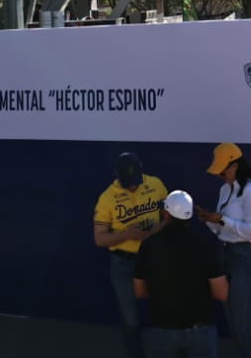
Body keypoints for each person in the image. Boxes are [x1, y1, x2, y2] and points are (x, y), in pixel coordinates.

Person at [133, 190, 228, 358]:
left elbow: (139, 291)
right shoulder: (205, 245)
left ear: (166, 213)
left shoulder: (148, 245)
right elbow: (222, 293)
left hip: (162, 331)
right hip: (200, 331)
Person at [93, 151, 168, 358]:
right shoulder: (107, 197)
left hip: (153, 258)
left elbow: (170, 218)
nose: (133, 187)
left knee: (162, 311)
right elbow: (99, 238)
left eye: (136, 181)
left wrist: (155, 229)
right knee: (130, 318)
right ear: (117, 175)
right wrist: (128, 234)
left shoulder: (156, 184)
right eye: (129, 183)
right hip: (123, 263)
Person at [197, 143, 251, 358]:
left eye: (223, 170)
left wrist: (223, 220)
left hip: (247, 260)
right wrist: (208, 220)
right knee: (236, 326)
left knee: (247, 329)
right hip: (226, 256)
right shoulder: (225, 189)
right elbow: (222, 230)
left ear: (235, 165)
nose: (220, 175)